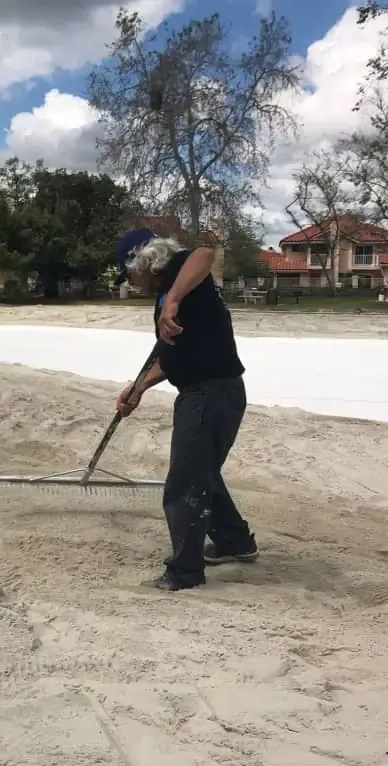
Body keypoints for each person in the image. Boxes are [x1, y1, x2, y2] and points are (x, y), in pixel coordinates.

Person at [113, 228, 258, 591]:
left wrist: (173, 299)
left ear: (143, 261)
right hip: (219, 392)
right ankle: (234, 541)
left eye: (128, 274)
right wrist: (139, 388)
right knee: (202, 472)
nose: (129, 283)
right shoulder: (168, 293)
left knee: (184, 483)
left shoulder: (181, 273)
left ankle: (185, 571)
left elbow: (205, 253)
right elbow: (173, 356)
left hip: (208, 394)